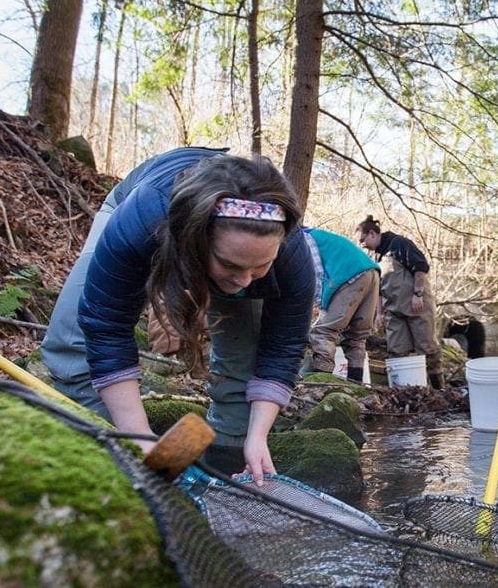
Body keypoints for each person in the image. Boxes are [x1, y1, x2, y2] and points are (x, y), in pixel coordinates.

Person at [40, 147, 314, 483]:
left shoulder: (291, 258)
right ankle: (118, 462)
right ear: (196, 242)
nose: (243, 280)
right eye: (230, 265)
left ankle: (225, 474)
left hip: (213, 249)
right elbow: (106, 325)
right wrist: (139, 437)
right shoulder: (141, 220)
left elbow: (281, 349)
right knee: (71, 342)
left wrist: (256, 437)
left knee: (245, 364)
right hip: (146, 214)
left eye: (260, 266)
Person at [355, 215, 444, 389]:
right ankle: (403, 390)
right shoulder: (376, 256)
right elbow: (379, 287)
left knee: (427, 348)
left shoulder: (399, 244)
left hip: (417, 306)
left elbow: (420, 268)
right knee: (396, 350)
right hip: (395, 311)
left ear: (372, 233)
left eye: (363, 240)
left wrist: (418, 294)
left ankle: (439, 388)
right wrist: (379, 313)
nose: (362, 244)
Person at [303, 227, 380, 383]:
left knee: (323, 332)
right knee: (357, 337)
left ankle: (319, 382)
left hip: (349, 275)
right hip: (372, 273)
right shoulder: (323, 236)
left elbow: (316, 272)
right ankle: (355, 385)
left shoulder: (304, 238)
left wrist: (320, 303)